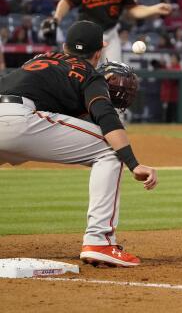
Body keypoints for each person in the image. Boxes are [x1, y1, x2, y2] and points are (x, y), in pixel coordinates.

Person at [0, 20, 158, 267]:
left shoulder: (40, 59)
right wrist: (133, 163)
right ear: (99, 52)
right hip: (18, 119)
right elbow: (106, 117)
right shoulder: (90, 74)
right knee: (110, 150)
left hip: (9, 107)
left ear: (64, 46)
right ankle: (99, 241)